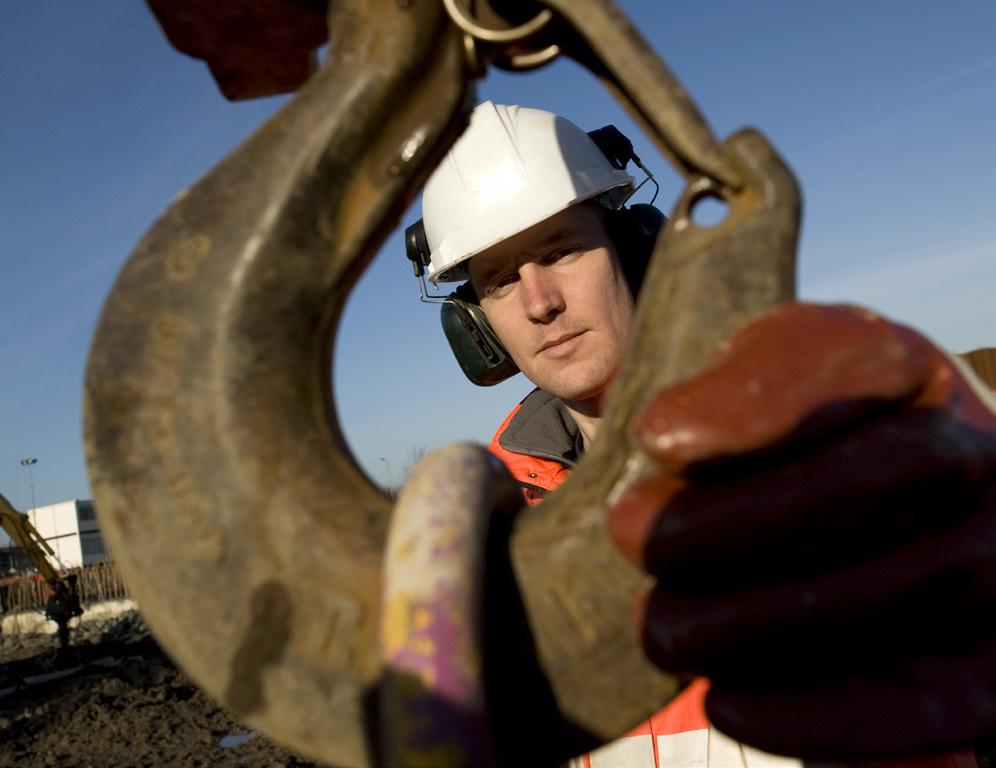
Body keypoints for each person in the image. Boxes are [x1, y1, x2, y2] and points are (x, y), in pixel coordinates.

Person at [412, 101, 996, 767]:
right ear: (478, 327)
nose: (540, 302)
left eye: (563, 250)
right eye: (500, 280)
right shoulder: (483, 540)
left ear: (637, 253)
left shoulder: (808, 430)